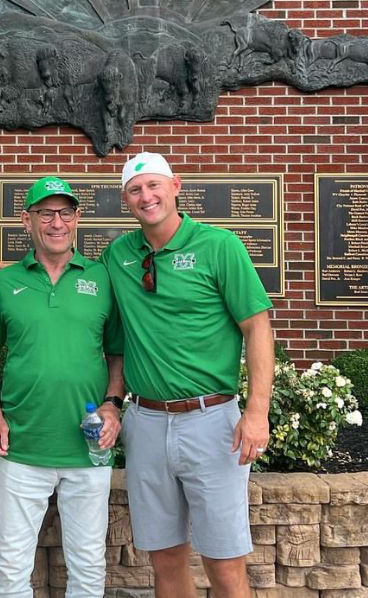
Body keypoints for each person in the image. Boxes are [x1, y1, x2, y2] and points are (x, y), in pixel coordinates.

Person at [100, 152, 274, 598]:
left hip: (211, 421)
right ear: (126, 199)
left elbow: (257, 326)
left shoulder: (220, 247)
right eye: (136, 190)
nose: (146, 196)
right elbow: (62, 279)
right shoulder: (118, 255)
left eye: (154, 186)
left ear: (175, 186)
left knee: (225, 562)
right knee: (165, 561)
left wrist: (257, 412)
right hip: (147, 423)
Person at [0, 175, 125, 598]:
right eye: (46, 213)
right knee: (11, 562)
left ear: (78, 219)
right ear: (27, 221)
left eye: (65, 212)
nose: (56, 222)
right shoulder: (4, 284)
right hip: (23, 443)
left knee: (87, 561)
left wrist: (113, 405)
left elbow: (117, 352)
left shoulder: (102, 280)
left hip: (89, 445)